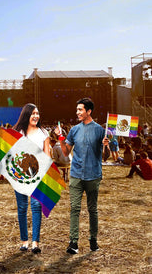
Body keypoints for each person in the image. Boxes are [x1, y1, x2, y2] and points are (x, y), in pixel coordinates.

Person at [55, 98, 109, 254]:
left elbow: (105, 156)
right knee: (75, 209)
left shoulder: (100, 130)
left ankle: (93, 240)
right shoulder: (74, 130)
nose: (77, 112)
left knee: (93, 209)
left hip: (93, 175)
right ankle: (73, 243)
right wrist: (60, 138)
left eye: (80, 110)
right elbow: (66, 152)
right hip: (76, 175)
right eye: (77, 109)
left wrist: (106, 146)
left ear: (89, 111)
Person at [12, 103, 50, 254]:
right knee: (22, 208)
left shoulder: (44, 133)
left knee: (36, 206)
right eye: (33, 113)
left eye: (37, 113)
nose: (36, 116)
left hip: (37, 175)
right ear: (26, 115)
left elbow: (47, 155)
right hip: (20, 175)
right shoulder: (17, 132)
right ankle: (24, 241)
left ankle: (35, 242)